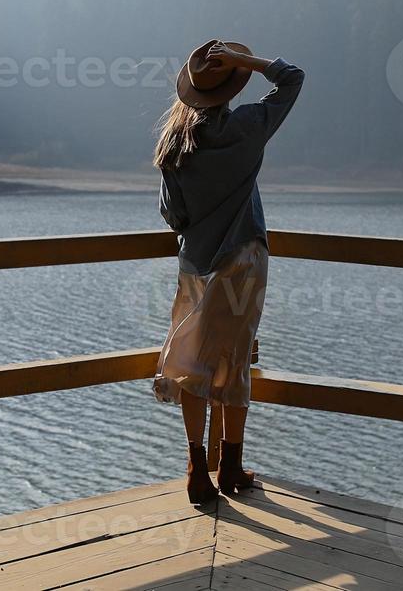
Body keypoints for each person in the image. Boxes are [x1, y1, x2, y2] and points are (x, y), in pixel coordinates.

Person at [151, 39, 304, 505]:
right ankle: (231, 466)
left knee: (193, 365)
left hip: (195, 265)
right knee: (233, 362)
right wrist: (250, 63)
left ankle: (199, 467)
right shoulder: (247, 127)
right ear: (231, 89)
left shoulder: (175, 147)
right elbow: (293, 78)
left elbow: (173, 217)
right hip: (242, 264)